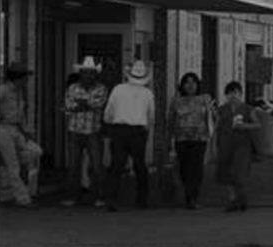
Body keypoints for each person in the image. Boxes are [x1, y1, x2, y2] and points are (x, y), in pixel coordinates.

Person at [102, 60, 157, 209]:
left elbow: (108, 113)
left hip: (119, 130)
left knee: (116, 166)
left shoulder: (118, 89)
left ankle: (112, 199)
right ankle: (141, 200)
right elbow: (151, 116)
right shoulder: (148, 93)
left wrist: (110, 123)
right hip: (138, 131)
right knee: (140, 166)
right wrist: (146, 128)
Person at [62, 56, 109, 207]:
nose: (88, 75)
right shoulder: (72, 87)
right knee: (73, 166)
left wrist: (80, 104)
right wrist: (88, 103)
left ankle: (99, 197)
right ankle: (72, 197)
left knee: (96, 166)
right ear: (80, 73)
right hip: (74, 131)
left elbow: (99, 104)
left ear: (95, 74)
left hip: (93, 132)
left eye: (91, 73)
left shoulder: (102, 88)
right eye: (85, 72)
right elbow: (69, 106)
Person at [167, 72, 215, 210]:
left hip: (199, 139)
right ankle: (188, 194)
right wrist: (168, 139)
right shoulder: (176, 101)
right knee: (183, 169)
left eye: (193, 82)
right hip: (181, 139)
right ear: (182, 85)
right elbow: (170, 121)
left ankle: (193, 198)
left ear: (198, 84)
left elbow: (213, 118)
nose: (190, 85)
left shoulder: (205, 99)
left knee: (196, 169)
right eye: (187, 82)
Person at [0, 65, 41, 208]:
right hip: (3, 128)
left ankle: (5, 168)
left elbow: (20, 115)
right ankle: (23, 199)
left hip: (16, 129)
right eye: (24, 78)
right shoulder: (3, 90)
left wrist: (26, 131)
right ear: (17, 78)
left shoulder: (19, 92)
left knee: (36, 151)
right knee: (14, 166)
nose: (26, 81)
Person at [213, 81, 260, 212]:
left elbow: (257, 124)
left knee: (238, 172)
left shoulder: (247, 109)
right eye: (229, 93)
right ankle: (233, 199)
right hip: (225, 143)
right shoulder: (222, 109)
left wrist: (244, 126)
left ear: (240, 94)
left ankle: (242, 196)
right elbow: (216, 126)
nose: (232, 96)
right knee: (226, 172)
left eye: (235, 93)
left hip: (242, 144)